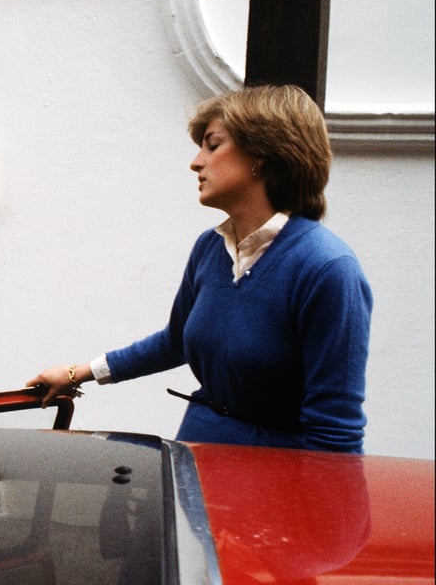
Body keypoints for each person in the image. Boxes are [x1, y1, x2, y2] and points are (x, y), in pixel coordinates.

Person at [28, 84, 373, 453]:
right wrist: (77, 373)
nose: (196, 162)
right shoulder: (211, 248)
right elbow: (175, 341)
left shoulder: (327, 269)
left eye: (212, 145)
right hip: (198, 455)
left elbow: (335, 432)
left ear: (262, 155)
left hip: (272, 476)